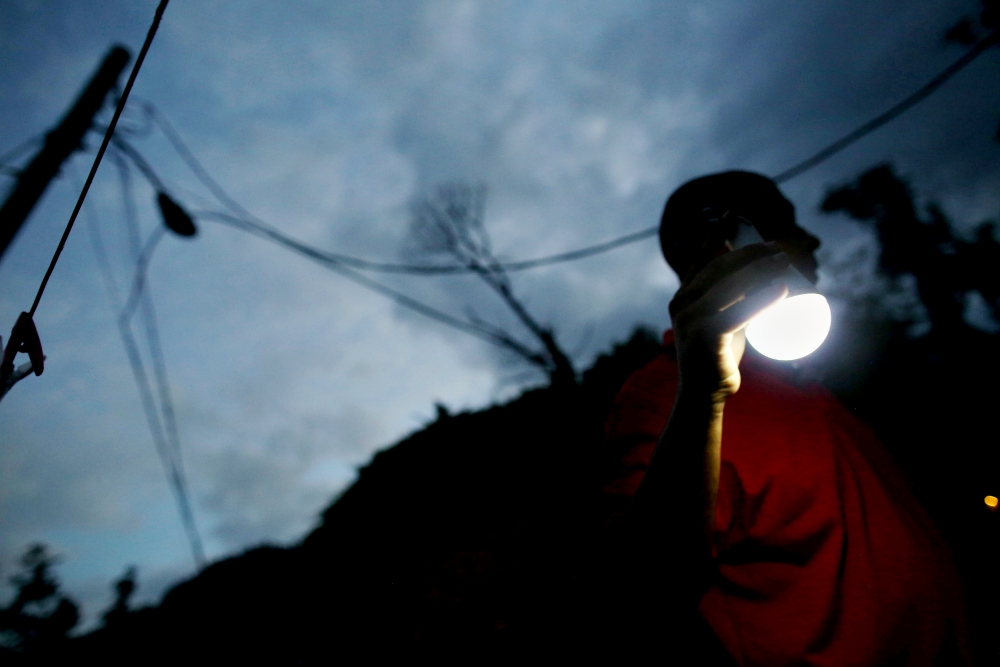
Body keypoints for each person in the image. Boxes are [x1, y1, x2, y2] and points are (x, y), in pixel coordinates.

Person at [601, 171, 969, 665]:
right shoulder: (668, 396)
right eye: (789, 223)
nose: (812, 238)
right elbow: (642, 595)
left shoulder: (804, 380)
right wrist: (702, 397)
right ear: (730, 243)